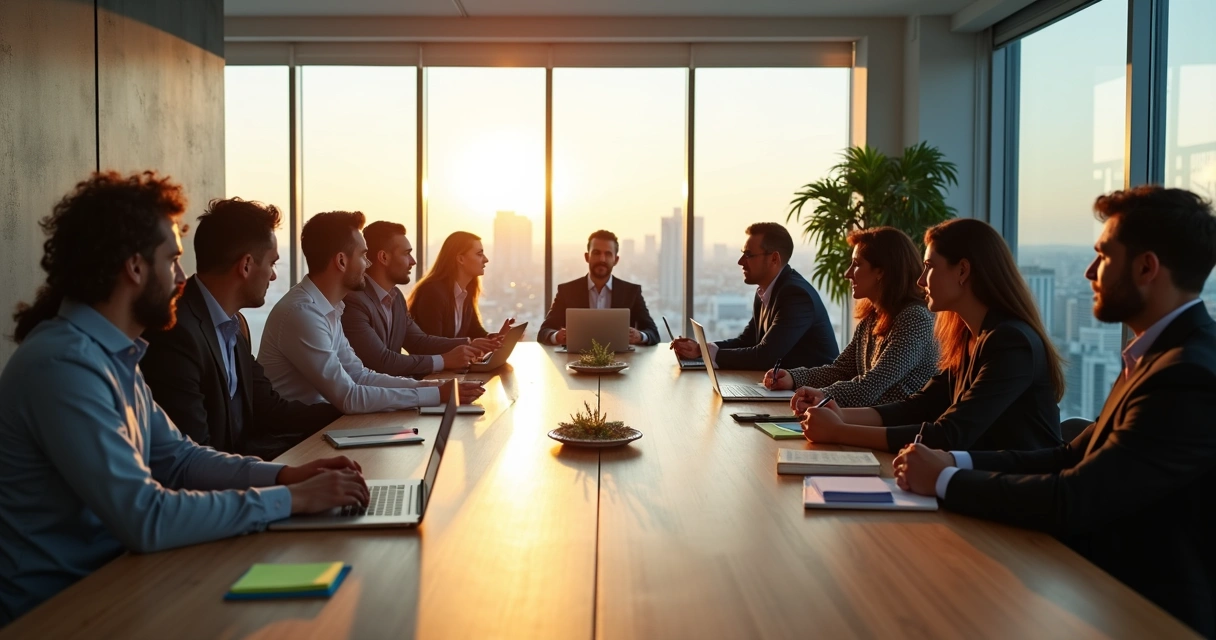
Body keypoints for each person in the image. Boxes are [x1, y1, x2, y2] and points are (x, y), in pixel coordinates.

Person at [0, 172, 370, 625]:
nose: (181, 277)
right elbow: (144, 515)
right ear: (135, 268)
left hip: (124, 582)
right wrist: (291, 499)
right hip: (68, 612)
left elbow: (179, 459)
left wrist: (289, 476)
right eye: (172, 259)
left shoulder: (111, 355)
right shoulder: (63, 364)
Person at [895, 186, 1216, 638]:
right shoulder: (1156, 356)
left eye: (1103, 256)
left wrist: (946, 480)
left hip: (1143, 612)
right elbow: (1068, 455)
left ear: (1147, 268)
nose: (1089, 271)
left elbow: (1077, 497)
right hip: (1096, 588)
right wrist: (952, 462)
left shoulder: (1187, 375)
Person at [797, 217, 1063, 453]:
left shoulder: (1009, 342)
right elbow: (919, 407)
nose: (921, 280)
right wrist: (840, 415)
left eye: (929, 267)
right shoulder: (969, 338)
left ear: (962, 271)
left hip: (1014, 497)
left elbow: (949, 435)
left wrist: (840, 430)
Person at [141, 198, 341, 459]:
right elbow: (194, 456)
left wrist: (349, 411)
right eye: (272, 263)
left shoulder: (235, 327)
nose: (273, 275)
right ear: (246, 265)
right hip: (215, 489)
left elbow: (269, 409)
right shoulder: (176, 331)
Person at [258, 211, 483, 413]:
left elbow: (360, 375)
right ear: (341, 261)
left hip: (322, 426)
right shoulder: (303, 313)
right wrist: (435, 394)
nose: (368, 264)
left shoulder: (331, 308)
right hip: (298, 439)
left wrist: (433, 387)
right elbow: (349, 397)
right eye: (363, 256)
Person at [763, 227, 937, 407]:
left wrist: (820, 396)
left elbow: (870, 387)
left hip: (898, 430)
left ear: (881, 271)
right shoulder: (872, 318)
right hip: (866, 423)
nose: (848, 273)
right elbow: (842, 370)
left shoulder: (916, 319)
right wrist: (793, 378)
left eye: (857, 264)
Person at [342, 221, 501, 378]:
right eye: (406, 253)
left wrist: (469, 344)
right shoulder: (354, 302)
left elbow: (419, 342)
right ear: (384, 257)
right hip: (374, 397)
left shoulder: (395, 297)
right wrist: (444, 361)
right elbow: (382, 361)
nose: (413, 261)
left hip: (394, 391)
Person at [670, 222, 838, 370]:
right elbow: (747, 341)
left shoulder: (795, 295)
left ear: (774, 258)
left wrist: (710, 354)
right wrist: (700, 350)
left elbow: (765, 356)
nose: (740, 261)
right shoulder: (765, 291)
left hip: (813, 396)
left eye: (748, 255)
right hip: (784, 390)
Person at [538, 230, 661, 347]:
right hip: (576, 362)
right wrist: (556, 336)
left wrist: (640, 336)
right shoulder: (567, 291)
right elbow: (543, 332)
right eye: (596, 253)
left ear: (616, 260)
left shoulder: (631, 292)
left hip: (622, 363)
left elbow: (653, 333)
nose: (602, 259)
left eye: (608, 254)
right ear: (587, 257)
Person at [408, 231, 512, 340]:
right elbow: (433, 345)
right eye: (479, 254)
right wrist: (469, 346)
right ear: (460, 259)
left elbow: (474, 331)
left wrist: (496, 338)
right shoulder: (432, 293)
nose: (486, 260)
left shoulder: (465, 292)